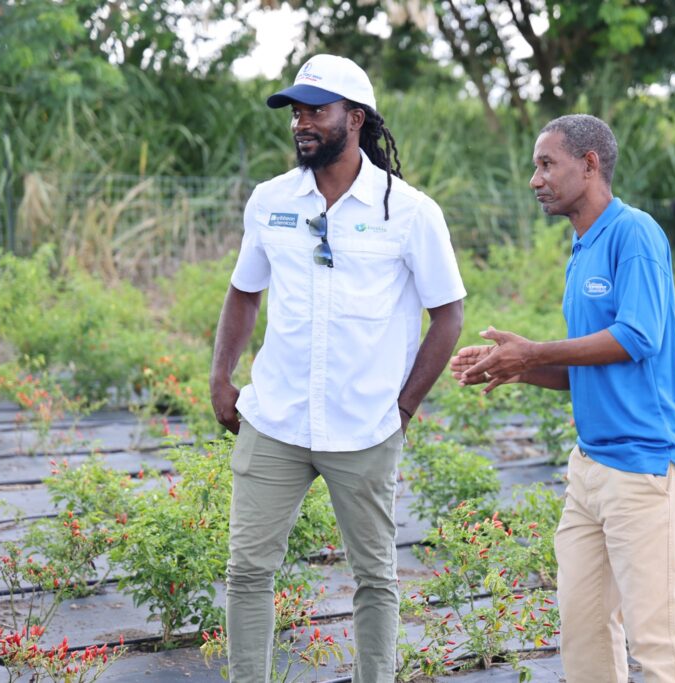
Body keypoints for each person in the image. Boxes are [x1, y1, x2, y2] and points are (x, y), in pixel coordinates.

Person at [210, 54, 465, 683]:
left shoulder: (409, 212)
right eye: (296, 111)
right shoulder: (271, 200)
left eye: (316, 111)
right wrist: (221, 377)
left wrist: (402, 408)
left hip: (365, 426)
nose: (302, 122)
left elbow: (448, 316)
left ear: (355, 118)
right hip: (275, 418)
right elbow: (244, 292)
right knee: (247, 571)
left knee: (375, 577)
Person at [451, 114, 675, 683]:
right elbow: (589, 367)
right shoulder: (582, 247)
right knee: (584, 632)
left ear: (590, 165)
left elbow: (637, 338)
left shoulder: (633, 233)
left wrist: (534, 352)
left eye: (547, 164)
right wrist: (516, 367)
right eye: (535, 166)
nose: (535, 179)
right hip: (591, 469)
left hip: (649, 469)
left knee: (661, 644)